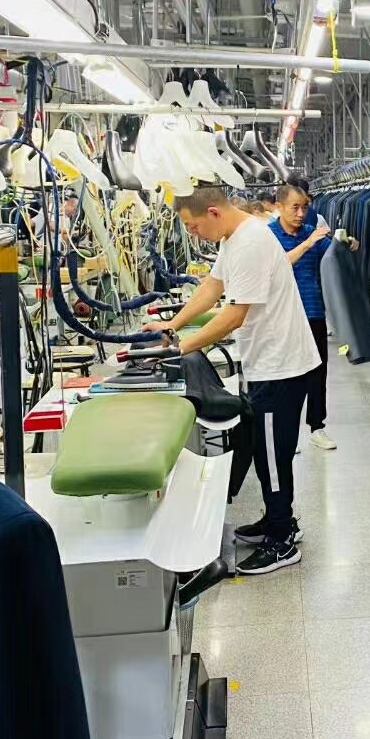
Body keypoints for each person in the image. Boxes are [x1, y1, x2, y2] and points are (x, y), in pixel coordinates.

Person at [146, 184, 320, 576]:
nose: (192, 233)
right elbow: (212, 287)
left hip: (280, 366)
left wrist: (180, 348)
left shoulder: (251, 243)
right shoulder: (233, 238)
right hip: (266, 362)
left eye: (192, 225)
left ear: (213, 212)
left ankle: (282, 539)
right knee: (262, 449)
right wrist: (173, 325)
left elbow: (234, 315)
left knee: (273, 457)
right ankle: (276, 519)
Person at [267, 183, 343, 451]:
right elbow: (278, 265)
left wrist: (347, 245)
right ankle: (284, 430)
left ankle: (317, 426)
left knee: (317, 372)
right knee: (285, 374)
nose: (301, 213)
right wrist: (308, 243)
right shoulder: (268, 235)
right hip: (282, 314)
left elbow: (333, 255)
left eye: (305, 207)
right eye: (295, 207)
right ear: (279, 206)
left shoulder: (312, 232)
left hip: (312, 311)